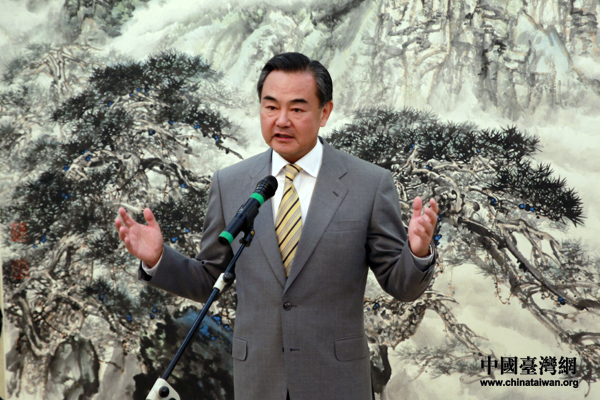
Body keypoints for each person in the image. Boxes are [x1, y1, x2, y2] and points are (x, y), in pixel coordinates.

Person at [115, 52, 439, 400]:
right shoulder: (230, 183)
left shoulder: (368, 184)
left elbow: (401, 285)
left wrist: (417, 252)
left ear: (325, 112)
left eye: (297, 109)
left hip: (336, 382)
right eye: (271, 107)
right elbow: (210, 278)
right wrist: (158, 259)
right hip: (259, 382)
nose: (281, 120)